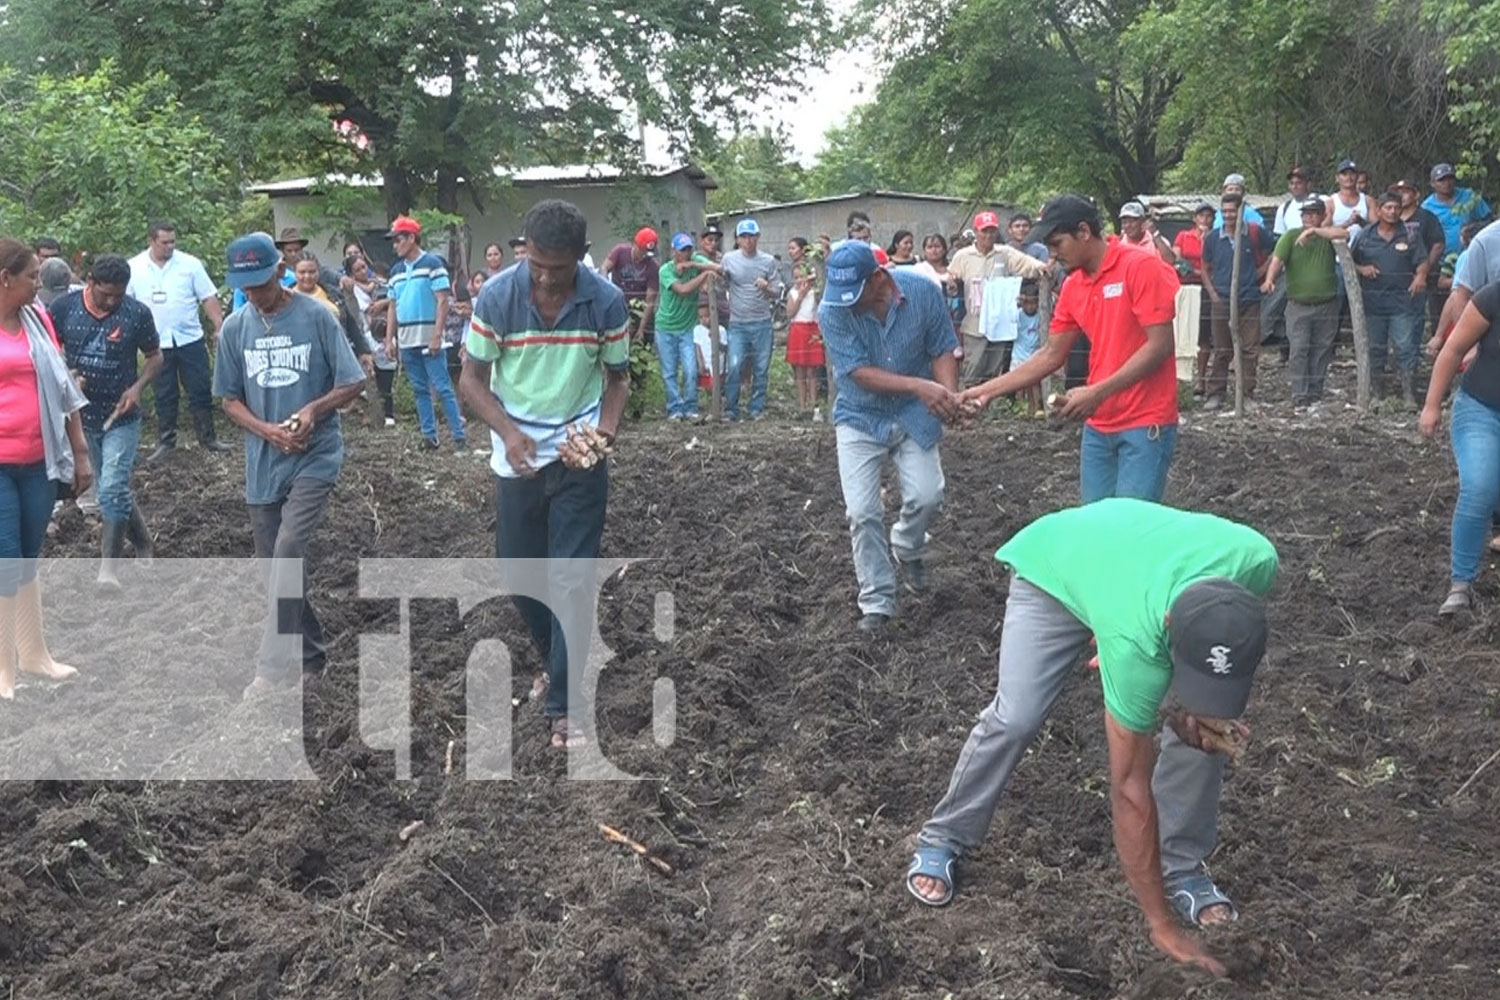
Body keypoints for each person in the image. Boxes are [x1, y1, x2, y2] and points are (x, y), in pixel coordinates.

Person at [906, 499, 1277, 980]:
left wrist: (1194, 706)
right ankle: (944, 836)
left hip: (1127, 573)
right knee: (1016, 716)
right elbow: (1129, 788)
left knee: (1206, 731)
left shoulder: (1257, 562)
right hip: (1057, 567)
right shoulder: (1137, 643)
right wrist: (1161, 926)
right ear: (1168, 627)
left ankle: (1180, 865)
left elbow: (1211, 646)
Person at [458, 199, 630, 749]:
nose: (548, 279)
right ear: (524, 252)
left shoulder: (605, 302)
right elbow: (472, 381)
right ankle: (556, 668)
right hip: (516, 455)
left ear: (582, 256)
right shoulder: (498, 297)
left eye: (559, 268)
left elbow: (619, 381)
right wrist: (509, 433)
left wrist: (603, 435)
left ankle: (567, 709)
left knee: (573, 579)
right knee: (520, 574)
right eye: (538, 265)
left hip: (578, 455)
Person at [213, 232, 366, 699]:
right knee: (276, 569)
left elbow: (353, 381)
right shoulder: (235, 329)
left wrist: (314, 411)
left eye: (261, 283)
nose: (255, 294)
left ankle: (269, 666)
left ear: (280, 269)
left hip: (315, 454)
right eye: (247, 286)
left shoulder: (317, 315)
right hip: (264, 460)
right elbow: (229, 400)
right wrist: (268, 432)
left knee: (289, 548)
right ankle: (313, 656)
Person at [963, 195, 1180, 502]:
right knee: (1093, 526)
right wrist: (985, 392)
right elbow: (1051, 354)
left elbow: (1160, 346)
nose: (1052, 254)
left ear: (1083, 232)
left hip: (1146, 420)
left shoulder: (1140, 267)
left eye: (1057, 243)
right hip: (1099, 422)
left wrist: (1096, 392)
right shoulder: (1073, 285)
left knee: (1131, 529)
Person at [817, 240, 958, 634]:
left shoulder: (924, 292)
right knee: (861, 512)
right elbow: (857, 372)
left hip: (915, 412)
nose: (848, 303)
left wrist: (949, 396)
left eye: (854, 293)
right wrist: (919, 386)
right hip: (860, 415)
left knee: (928, 494)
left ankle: (909, 545)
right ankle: (877, 600)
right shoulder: (833, 311)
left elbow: (943, 347)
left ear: (879, 278)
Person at [0, 238, 90, 697]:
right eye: (33, 276)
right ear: (5, 279)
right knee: (7, 558)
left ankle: (34, 655)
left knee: (28, 560)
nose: (41, 283)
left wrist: (80, 450)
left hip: (38, 460)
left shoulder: (37, 321)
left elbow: (62, 384)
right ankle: (4, 668)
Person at [51, 254, 163, 585]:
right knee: (112, 488)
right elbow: (47, 352)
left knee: (112, 487)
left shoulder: (136, 314)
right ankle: (143, 543)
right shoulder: (63, 309)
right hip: (81, 418)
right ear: (90, 282)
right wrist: (67, 377)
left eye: (119, 294)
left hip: (121, 417)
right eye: (105, 294)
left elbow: (156, 357)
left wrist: (138, 388)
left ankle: (108, 569)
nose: (112, 301)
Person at [1420, 280, 1500, 614]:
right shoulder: (1494, 296)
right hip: (1482, 408)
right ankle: (1461, 585)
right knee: (1480, 485)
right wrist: (1432, 405)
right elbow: (1453, 349)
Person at [126, 221, 229, 460]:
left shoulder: (190, 264)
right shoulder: (134, 267)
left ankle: (208, 437)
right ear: (151, 241)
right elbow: (127, 305)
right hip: (157, 342)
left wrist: (219, 325)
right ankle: (166, 441)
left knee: (200, 388)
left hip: (189, 338)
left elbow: (208, 297)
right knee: (164, 392)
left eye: (173, 241)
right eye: (164, 242)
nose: (170, 246)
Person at [382, 215, 466, 450]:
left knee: (442, 386)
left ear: (411, 238)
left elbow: (443, 300)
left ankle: (459, 436)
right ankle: (429, 436)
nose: (395, 245)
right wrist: (389, 339)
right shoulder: (396, 270)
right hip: (408, 339)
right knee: (420, 388)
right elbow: (392, 305)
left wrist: (437, 335)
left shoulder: (433, 264)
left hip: (429, 336)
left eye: (398, 240)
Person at [1262, 199, 1345, 409]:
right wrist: (1270, 279)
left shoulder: (1327, 236)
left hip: (1326, 304)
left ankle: (1315, 393)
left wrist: (1315, 232)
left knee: (1321, 349)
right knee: (1299, 349)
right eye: (1305, 214)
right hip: (1298, 304)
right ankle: (1300, 394)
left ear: (1322, 215)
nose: (1308, 217)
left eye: (1314, 213)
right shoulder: (1290, 236)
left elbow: (1345, 234)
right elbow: (1277, 259)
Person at [947, 211, 1048, 383]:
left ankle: (990, 406)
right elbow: (950, 278)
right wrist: (951, 283)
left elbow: (1029, 265)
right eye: (984, 231)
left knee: (993, 371)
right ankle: (968, 404)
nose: (988, 235)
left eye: (992, 231)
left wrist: (1044, 267)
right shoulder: (963, 256)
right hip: (974, 323)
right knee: (972, 368)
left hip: (1000, 323)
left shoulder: (1005, 253)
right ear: (976, 231)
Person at [1352, 193, 1429, 404]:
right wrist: (1362, 268)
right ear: (1378, 210)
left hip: (1402, 302)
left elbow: (1422, 260)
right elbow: (1349, 262)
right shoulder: (1365, 236)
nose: (1393, 212)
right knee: (1376, 348)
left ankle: (1408, 394)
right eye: (1388, 208)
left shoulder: (1410, 234)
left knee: (1405, 347)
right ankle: (1377, 393)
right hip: (1373, 303)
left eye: (1396, 208)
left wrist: (1420, 276)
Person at [1201, 193, 1273, 409]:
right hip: (1221, 299)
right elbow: (1205, 268)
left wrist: (1260, 276)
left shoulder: (1253, 233)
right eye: (1225, 211)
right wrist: (1213, 294)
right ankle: (1216, 393)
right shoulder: (1213, 238)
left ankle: (1247, 394)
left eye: (1232, 210)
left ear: (1241, 210)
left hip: (1249, 298)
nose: (1229, 215)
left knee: (1250, 349)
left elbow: (1275, 252)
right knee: (1222, 349)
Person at [720, 219, 783, 420]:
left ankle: (756, 407)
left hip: (762, 321)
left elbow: (777, 292)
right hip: (737, 322)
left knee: (761, 367)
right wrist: (721, 279)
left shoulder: (768, 261)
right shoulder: (729, 259)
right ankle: (731, 408)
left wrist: (767, 287)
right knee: (734, 365)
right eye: (744, 237)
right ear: (738, 239)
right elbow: (721, 286)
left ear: (758, 237)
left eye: (752, 236)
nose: (748, 241)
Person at [656, 232, 720, 420]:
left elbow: (718, 268)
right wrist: (704, 275)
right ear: (673, 251)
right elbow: (682, 290)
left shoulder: (694, 259)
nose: (686, 253)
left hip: (687, 327)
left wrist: (694, 265)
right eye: (682, 250)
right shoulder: (665, 270)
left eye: (689, 249)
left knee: (691, 368)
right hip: (665, 327)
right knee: (669, 371)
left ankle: (691, 406)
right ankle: (675, 408)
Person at [1173, 205, 1216, 395]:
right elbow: (1178, 262)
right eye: (1201, 215)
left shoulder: (1214, 238)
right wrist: (1198, 271)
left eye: (1209, 216)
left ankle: (1201, 379)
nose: (1205, 220)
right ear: (1195, 218)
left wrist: (1206, 243)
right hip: (1183, 286)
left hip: (1205, 289)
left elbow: (1216, 263)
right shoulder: (1183, 236)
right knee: (1180, 332)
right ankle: (1179, 380)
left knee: (1203, 335)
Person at [785, 237, 824, 417]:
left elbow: (818, 301)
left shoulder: (814, 293)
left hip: (812, 329)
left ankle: (814, 404)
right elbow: (790, 313)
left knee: (812, 371)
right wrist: (800, 295)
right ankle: (802, 405)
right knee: (799, 370)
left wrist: (810, 287)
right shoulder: (792, 293)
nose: (800, 280)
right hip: (798, 330)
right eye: (796, 277)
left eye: (802, 276)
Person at [1010, 281, 1044, 413]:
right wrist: (1016, 302)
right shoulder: (1018, 315)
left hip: (1034, 355)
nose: (1030, 306)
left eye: (1033, 303)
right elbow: (1009, 315)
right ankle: (1021, 408)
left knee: (1035, 383)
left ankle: (1037, 407)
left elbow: (1053, 301)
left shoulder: (1041, 315)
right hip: (1019, 355)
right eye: (1027, 303)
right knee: (1019, 384)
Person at [1325, 159, 1374, 238]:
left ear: (1357, 177)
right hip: (1339, 248)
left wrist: (1361, 222)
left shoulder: (1368, 201)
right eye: (1344, 174)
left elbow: (1378, 230)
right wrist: (1348, 223)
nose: (1349, 177)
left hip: (1364, 248)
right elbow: (1324, 230)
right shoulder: (1330, 203)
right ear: (1337, 178)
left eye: (1352, 174)